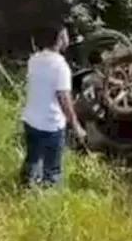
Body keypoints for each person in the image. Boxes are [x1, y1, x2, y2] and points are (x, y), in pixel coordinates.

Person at [21, 23, 87, 188]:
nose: (68, 40)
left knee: (33, 158)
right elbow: (64, 99)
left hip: (30, 120)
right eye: (65, 36)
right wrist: (76, 126)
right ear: (59, 39)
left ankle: (26, 186)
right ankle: (48, 195)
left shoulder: (34, 59)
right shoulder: (60, 66)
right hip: (51, 126)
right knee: (52, 169)